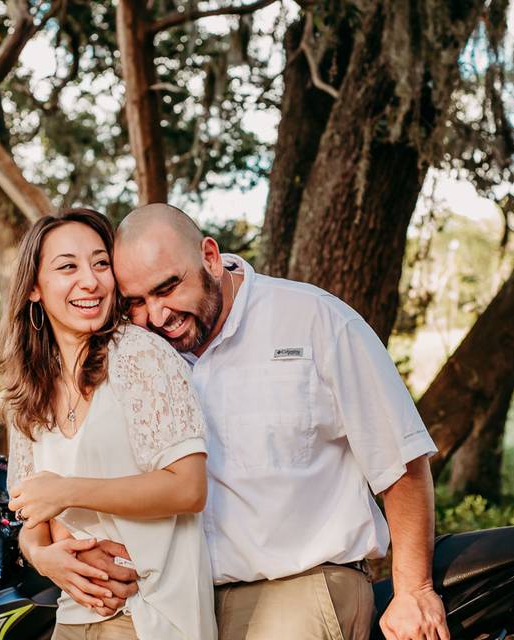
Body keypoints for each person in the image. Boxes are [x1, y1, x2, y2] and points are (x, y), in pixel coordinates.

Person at [25, 203, 449, 640]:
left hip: (301, 584)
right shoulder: (138, 355)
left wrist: (413, 589)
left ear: (209, 257)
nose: (157, 315)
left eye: (168, 288)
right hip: (188, 596)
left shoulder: (314, 320)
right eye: (136, 301)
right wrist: (47, 551)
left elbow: (400, 460)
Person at [0, 208, 217, 640]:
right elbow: (30, 512)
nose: (90, 281)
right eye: (67, 267)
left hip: (153, 615)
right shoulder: (29, 389)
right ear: (35, 287)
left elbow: (189, 488)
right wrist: (43, 557)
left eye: (100, 263)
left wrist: (66, 490)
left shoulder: (140, 356)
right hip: (74, 617)